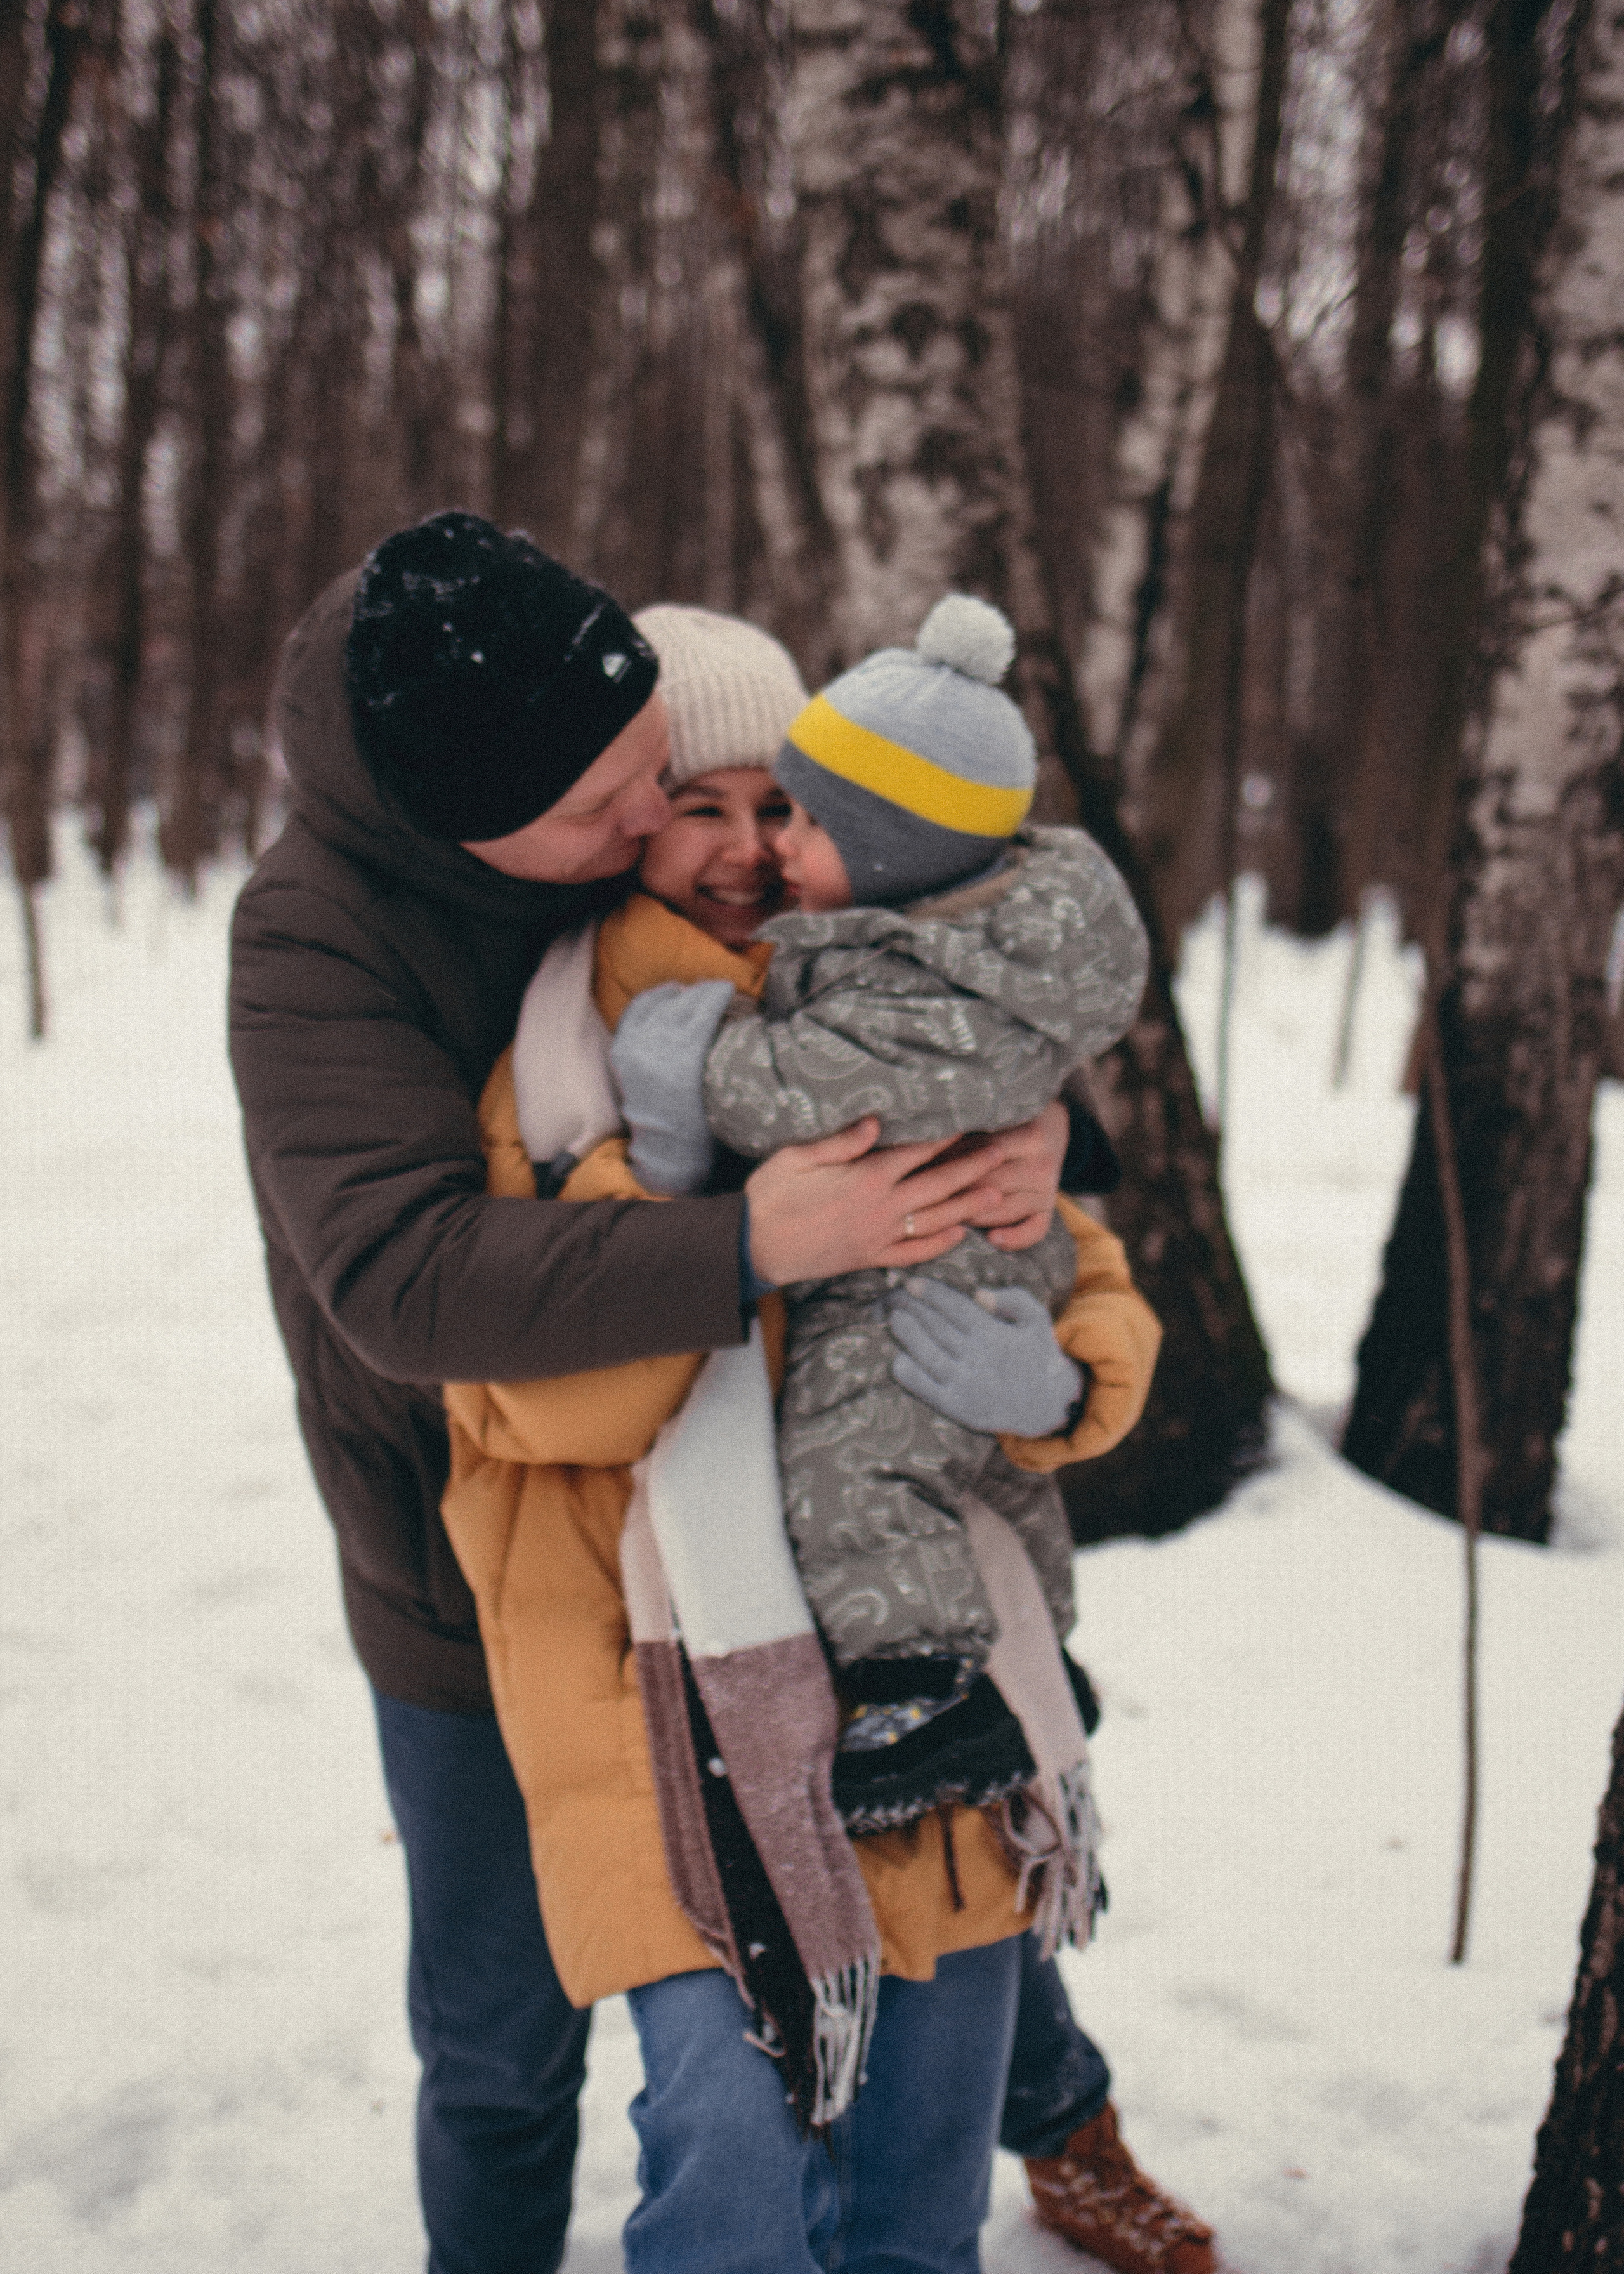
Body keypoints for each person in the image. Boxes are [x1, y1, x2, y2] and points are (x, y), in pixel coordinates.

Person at [226, 512, 1082, 2274]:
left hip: (796, 1550)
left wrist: (1056, 1133)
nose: (661, 819)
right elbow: (409, 1279)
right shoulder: (317, 940)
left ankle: (1060, 2113)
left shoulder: (696, 845)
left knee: (934, 1939)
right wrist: (746, 1237)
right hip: (480, 1575)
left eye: (665, 776)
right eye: (621, 800)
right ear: (477, 823)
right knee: (506, 2039)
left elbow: (935, 1004)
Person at [443, 599, 1218, 2274]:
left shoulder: (922, 1004)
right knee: (728, 2152)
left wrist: (1065, 1380)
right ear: (636, 814)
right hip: (662, 1693)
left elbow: (1080, 1267)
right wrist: (686, 1210)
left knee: (915, 2208)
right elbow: (532, 1407)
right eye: (697, 805)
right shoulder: (562, 1057)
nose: (739, 848)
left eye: (772, 804)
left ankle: (1056, 2131)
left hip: (934, 1689)